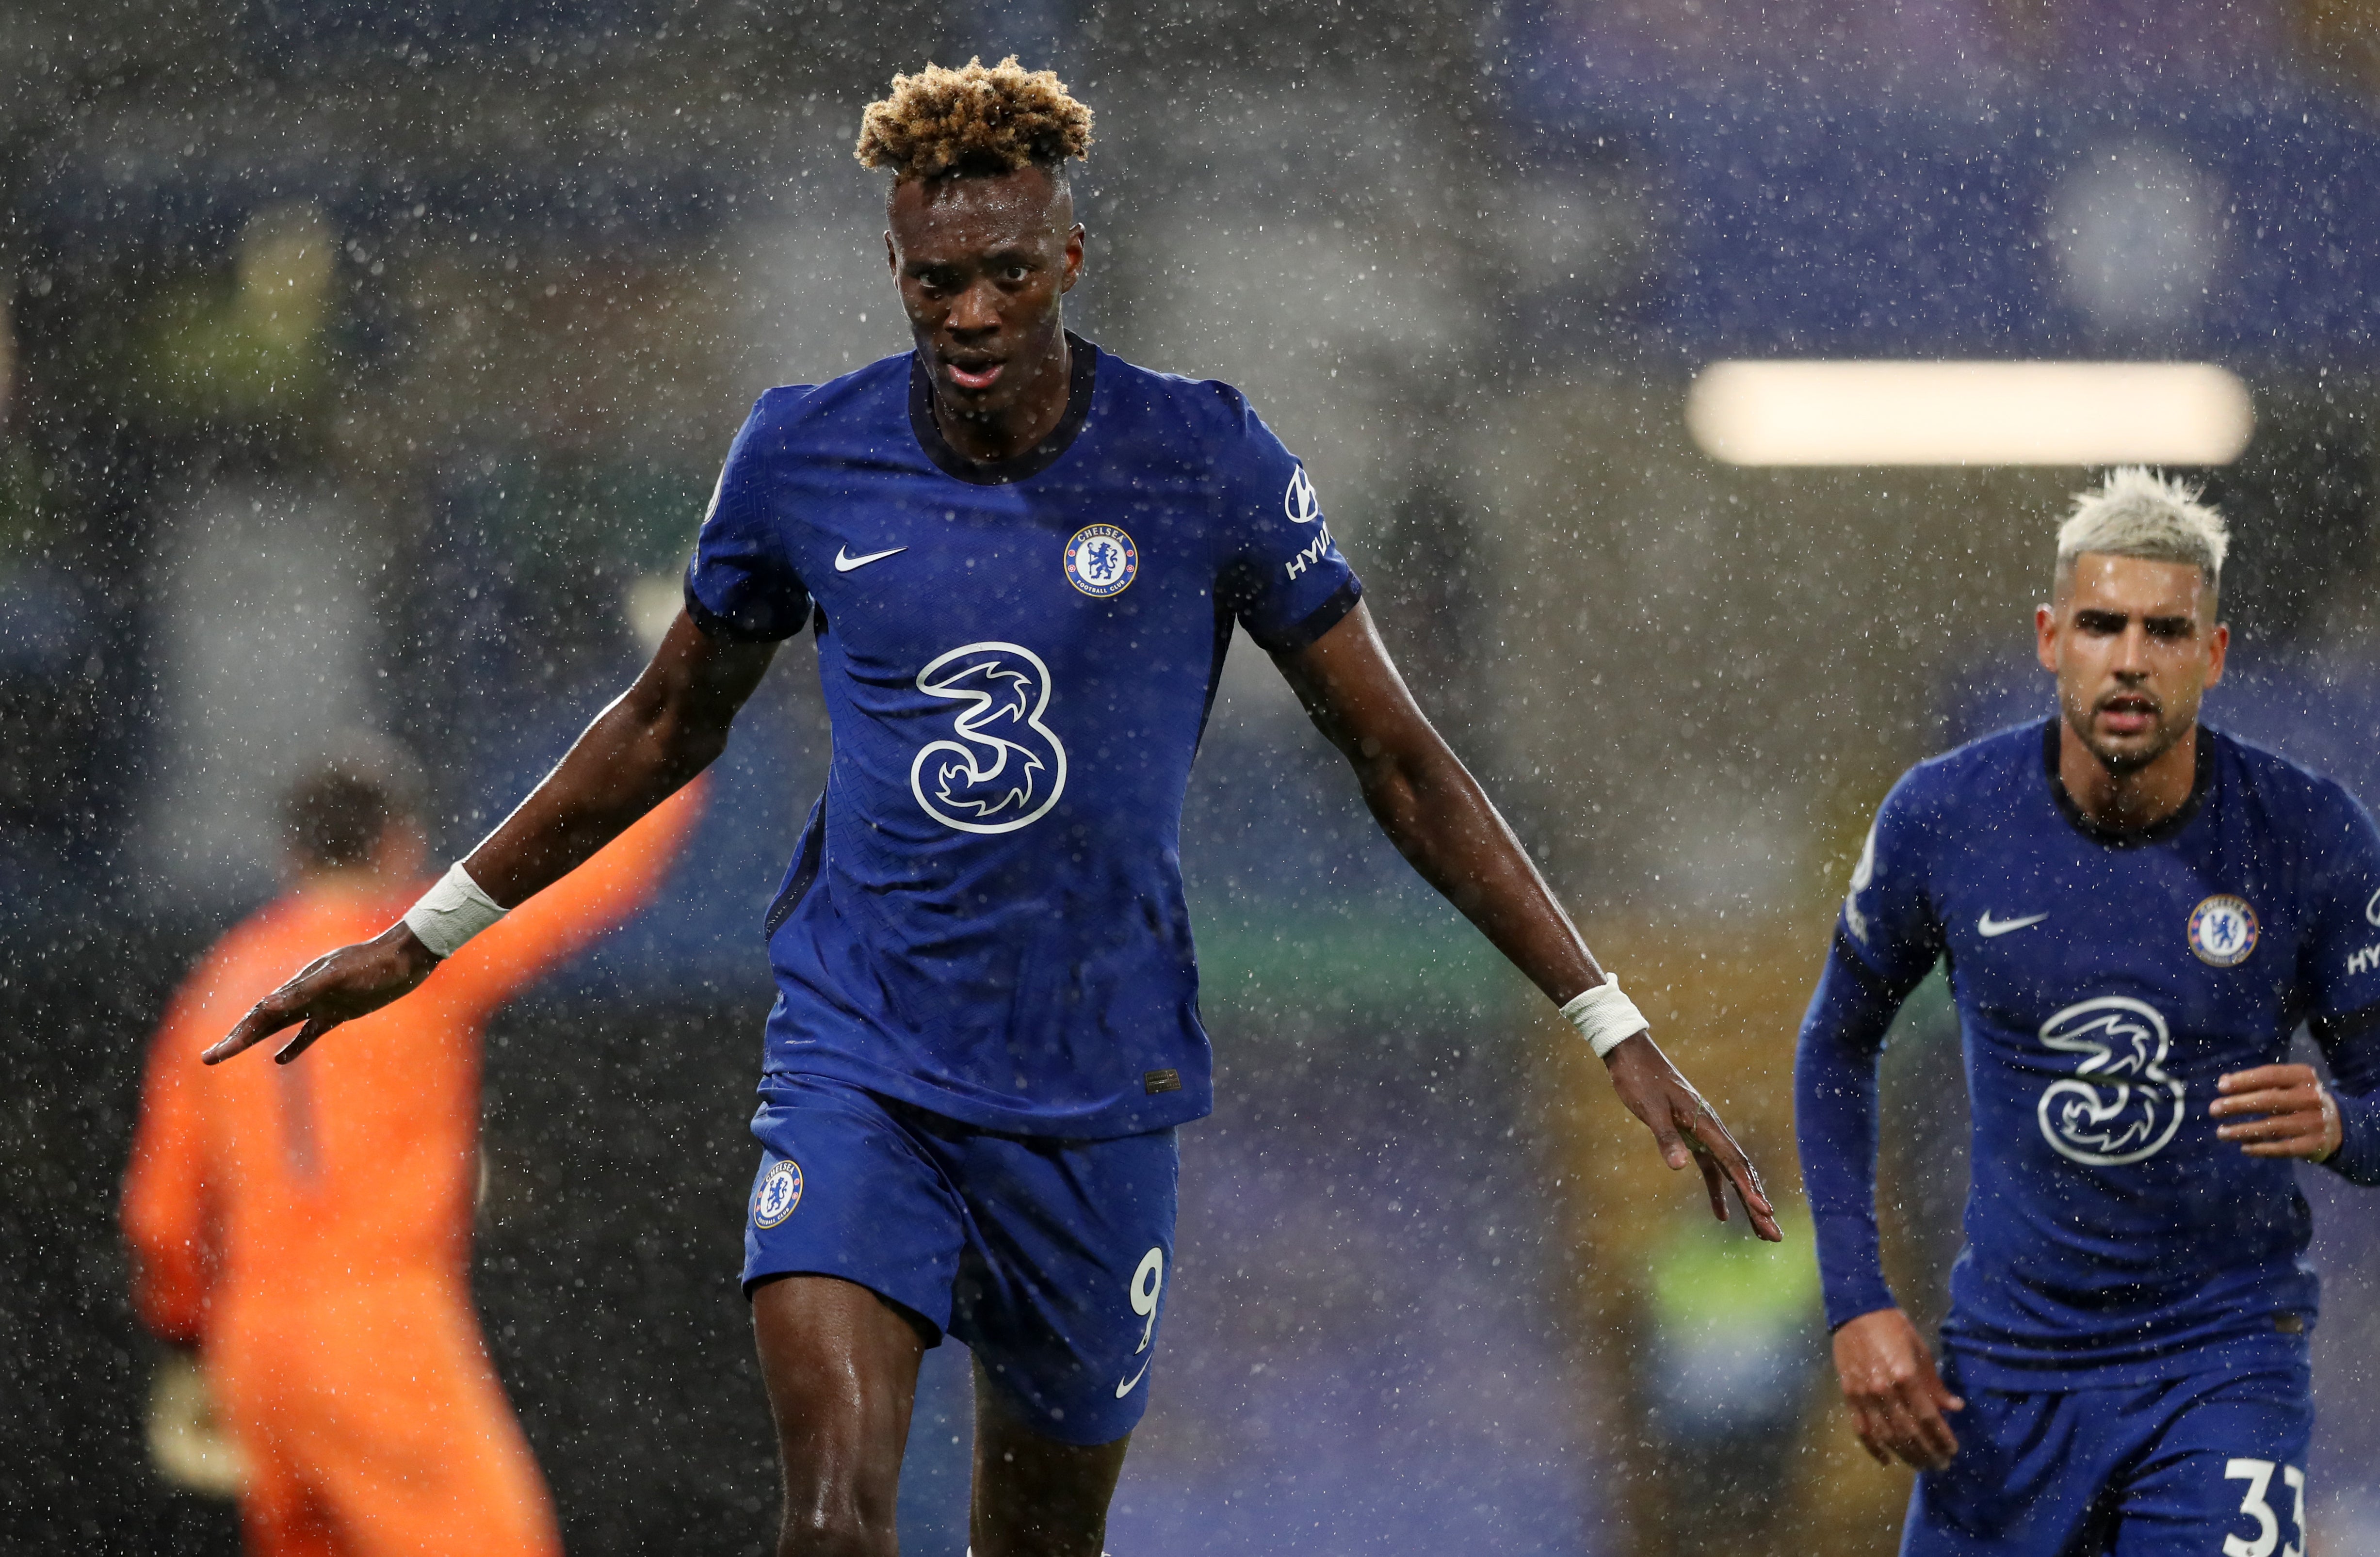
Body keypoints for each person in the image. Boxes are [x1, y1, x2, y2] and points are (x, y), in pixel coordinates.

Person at [205, 58, 1779, 1557]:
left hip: (1093, 1091)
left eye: (1006, 275)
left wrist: (1604, 1019)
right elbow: (664, 721)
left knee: (1033, 1537)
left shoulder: (1199, 456)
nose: (968, 314)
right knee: (830, 1515)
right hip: (862, 1065)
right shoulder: (801, 456)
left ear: (1069, 256)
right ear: (893, 265)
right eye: (931, 281)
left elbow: (1400, 762)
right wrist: (422, 937)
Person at [1796, 467, 2380, 1557]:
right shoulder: (1946, 816)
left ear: (2211, 654)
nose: (2129, 657)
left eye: (2166, 631)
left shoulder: (2309, 835)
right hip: (2009, 1378)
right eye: (2102, 624)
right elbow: (1837, 1041)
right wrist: (1856, 1300)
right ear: (2050, 637)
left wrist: (2349, 1127)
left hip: (2223, 1362)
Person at [123, 736, 704, 1557]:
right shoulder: (409, 955)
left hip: (255, 1342)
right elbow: (597, 875)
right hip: (379, 1327)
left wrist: (186, 1336)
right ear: (401, 841)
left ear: (292, 848)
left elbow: (161, 1212)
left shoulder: (220, 981)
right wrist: (689, 732)